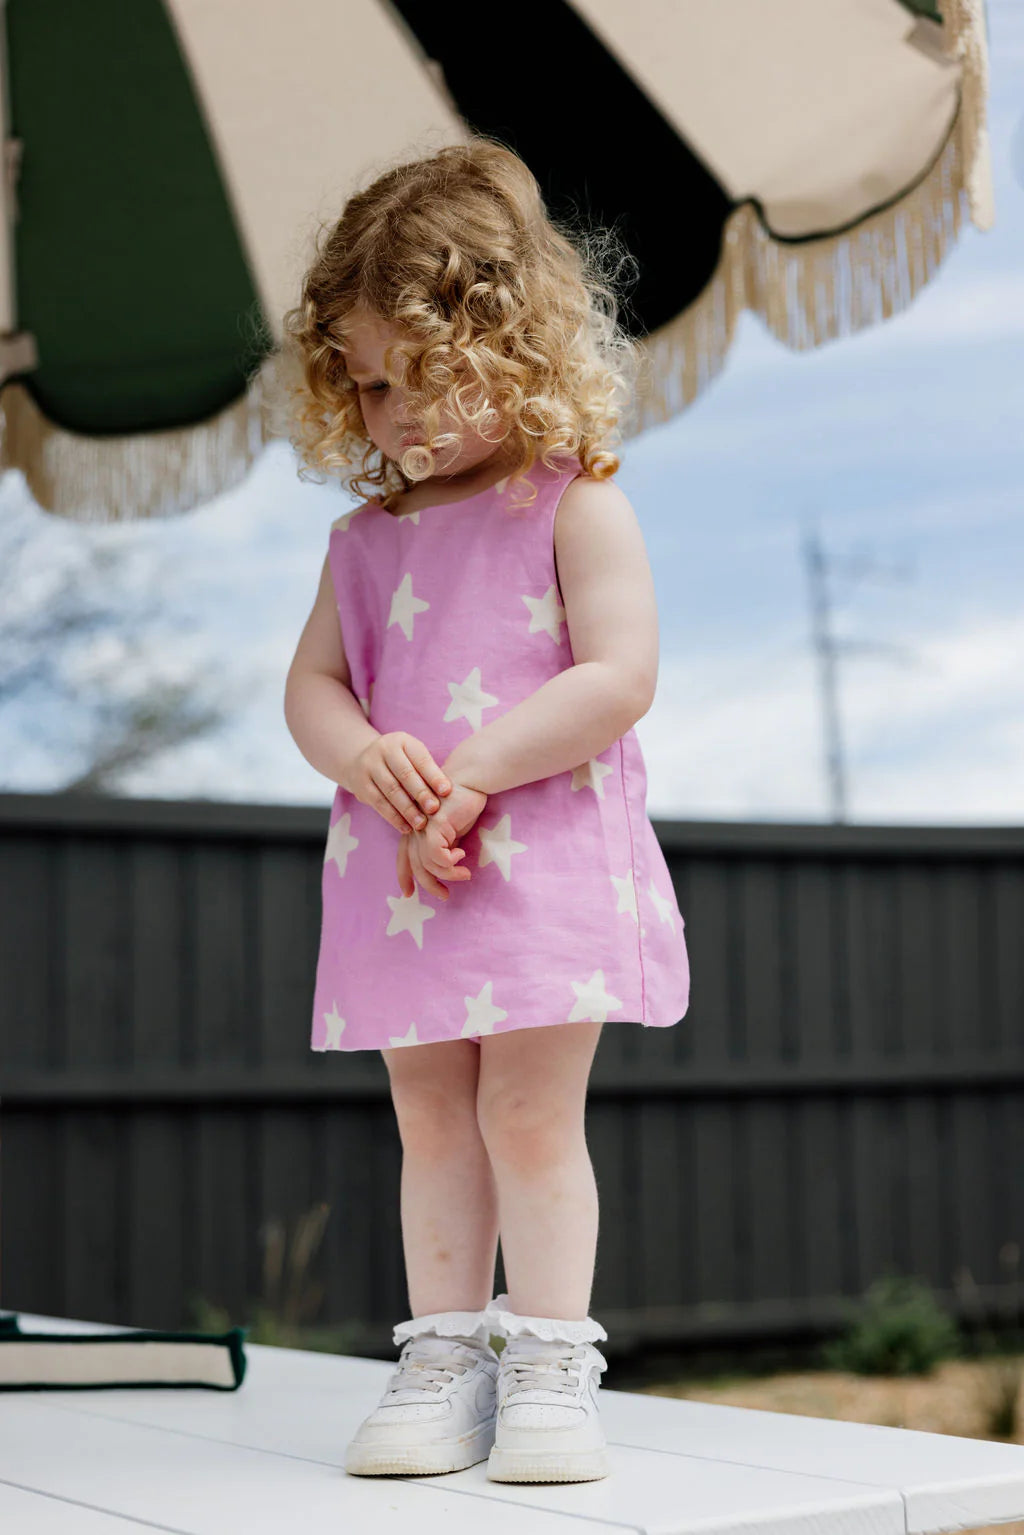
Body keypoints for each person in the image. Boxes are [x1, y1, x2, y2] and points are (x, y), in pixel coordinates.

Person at [281, 136, 689, 1485]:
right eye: (370, 385)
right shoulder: (365, 543)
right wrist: (367, 760)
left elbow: (617, 677)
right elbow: (314, 690)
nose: (393, 415)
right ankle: (444, 1354)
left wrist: (473, 769)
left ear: (507, 341)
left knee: (526, 1114)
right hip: (408, 874)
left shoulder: (575, 505)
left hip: (539, 865)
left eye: (422, 377)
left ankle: (553, 1361)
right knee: (431, 1120)